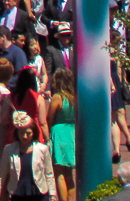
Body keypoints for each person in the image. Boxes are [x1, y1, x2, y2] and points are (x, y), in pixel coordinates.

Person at [0, 111, 55, 201]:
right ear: (17, 133)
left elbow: (49, 174)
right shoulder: (9, 150)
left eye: (28, 133)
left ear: (34, 132)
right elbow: (0, 175)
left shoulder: (43, 149)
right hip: (18, 195)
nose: (25, 136)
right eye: (21, 133)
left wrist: (53, 195)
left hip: (40, 195)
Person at [47, 69, 76, 201]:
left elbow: (50, 118)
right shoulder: (74, 97)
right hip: (71, 133)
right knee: (69, 174)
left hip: (59, 134)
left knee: (59, 172)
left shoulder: (58, 97)